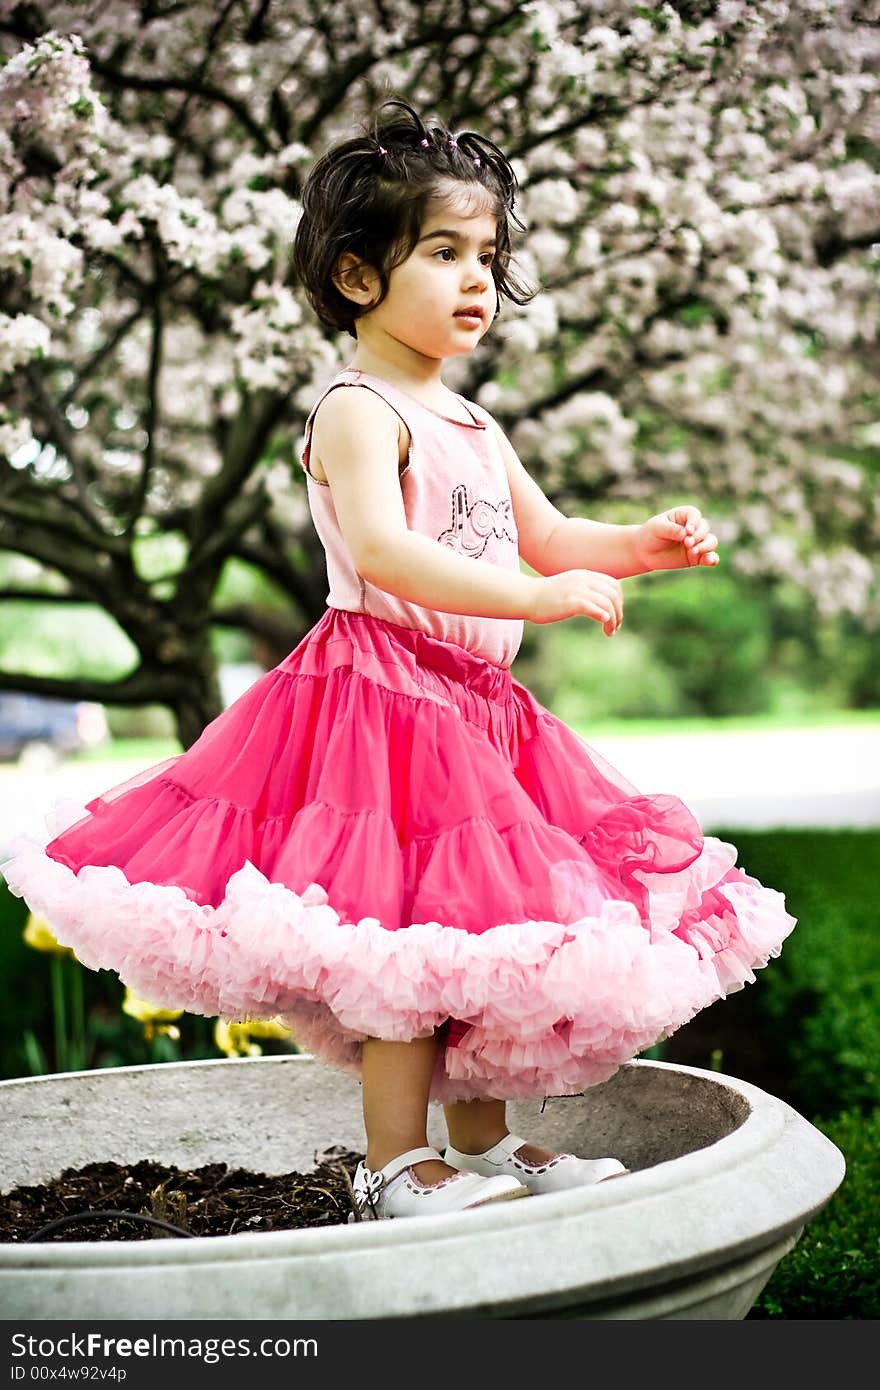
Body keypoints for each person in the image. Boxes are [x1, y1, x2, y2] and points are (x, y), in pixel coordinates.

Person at [2, 98, 796, 1223]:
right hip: (382, 701)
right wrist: (535, 595)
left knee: (490, 935)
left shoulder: (471, 421)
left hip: (478, 709)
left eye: (488, 256)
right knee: (409, 942)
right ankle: (390, 1160)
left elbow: (551, 535)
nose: (477, 279)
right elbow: (389, 551)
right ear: (360, 277)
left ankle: (484, 1142)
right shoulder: (357, 410)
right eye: (443, 253)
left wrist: (639, 549)